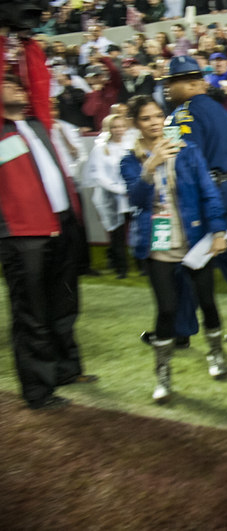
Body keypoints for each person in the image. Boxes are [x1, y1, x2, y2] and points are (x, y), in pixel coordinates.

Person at [1, 48, 94, 411]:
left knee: (64, 303)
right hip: (23, 235)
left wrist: (28, 43)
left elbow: (39, 82)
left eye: (18, 85)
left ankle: (66, 370)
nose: (19, 89)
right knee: (32, 313)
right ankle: (38, 390)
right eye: (8, 84)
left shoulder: (37, 122)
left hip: (62, 225)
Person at [121, 95, 227, 403]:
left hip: (195, 241)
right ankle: (163, 376)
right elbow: (137, 201)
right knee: (166, 309)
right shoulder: (129, 159)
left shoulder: (188, 150)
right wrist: (150, 166)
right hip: (157, 245)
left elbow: (209, 193)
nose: (155, 122)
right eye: (146, 118)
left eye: (158, 116)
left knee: (208, 301)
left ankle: (216, 355)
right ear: (135, 124)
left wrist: (219, 231)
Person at [164, 55, 227, 342]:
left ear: (193, 84)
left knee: (190, 258)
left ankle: (179, 330)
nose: (169, 88)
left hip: (207, 192)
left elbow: (185, 160)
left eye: (174, 82)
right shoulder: (219, 109)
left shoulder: (183, 113)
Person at [85, 112, 130, 278]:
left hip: (131, 195)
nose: (118, 130)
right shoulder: (100, 149)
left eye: (121, 126)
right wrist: (119, 189)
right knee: (117, 235)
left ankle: (143, 267)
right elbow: (98, 175)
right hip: (111, 197)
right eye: (115, 127)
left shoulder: (132, 145)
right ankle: (121, 268)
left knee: (138, 230)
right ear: (108, 129)